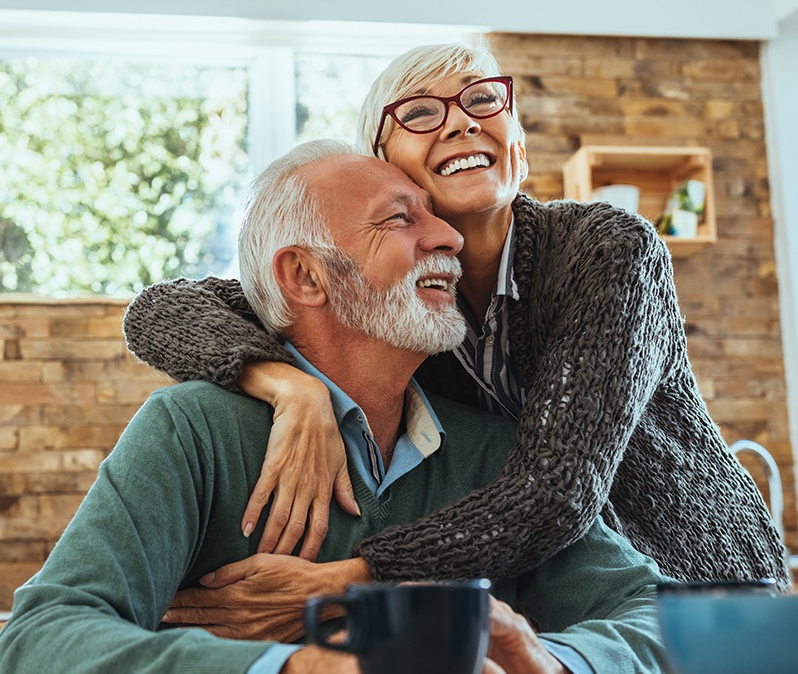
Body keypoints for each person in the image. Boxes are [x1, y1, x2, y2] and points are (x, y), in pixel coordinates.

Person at [122, 43, 789, 617]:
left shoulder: (607, 249)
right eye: (420, 112)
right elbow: (160, 309)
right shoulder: (397, 302)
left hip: (700, 590)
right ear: (381, 162)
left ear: (518, 147)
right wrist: (291, 386)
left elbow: (555, 491)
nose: (463, 123)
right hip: (554, 601)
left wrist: (347, 583)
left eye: (483, 102)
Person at [0, 141, 676, 674]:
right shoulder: (191, 431)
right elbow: (35, 647)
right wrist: (300, 673)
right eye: (402, 218)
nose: (450, 237)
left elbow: (662, 620)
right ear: (308, 276)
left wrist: (553, 662)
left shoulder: (493, 453)